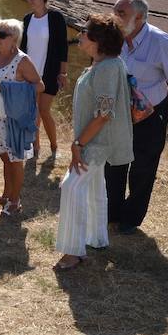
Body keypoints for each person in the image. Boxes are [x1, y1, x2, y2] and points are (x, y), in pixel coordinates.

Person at [54, 14, 133, 270]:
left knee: (72, 187)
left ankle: (73, 251)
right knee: (94, 188)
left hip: (97, 143)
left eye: (84, 32)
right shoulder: (104, 64)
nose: (79, 35)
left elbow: (104, 114)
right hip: (95, 141)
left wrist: (78, 144)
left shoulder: (108, 67)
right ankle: (97, 238)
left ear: (97, 39)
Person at [107, 0, 168, 234]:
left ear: (139, 17)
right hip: (119, 113)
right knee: (114, 163)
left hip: (151, 114)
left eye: (121, 13)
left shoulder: (159, 41)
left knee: (143, 167)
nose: (115, 17)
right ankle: (112, 213)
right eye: (115, 11)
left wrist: (159, 103)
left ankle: (131, 219)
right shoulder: (115, 39)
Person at [0, 18, 43, 216]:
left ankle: (16, 201)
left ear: (14, 39)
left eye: (2, 35)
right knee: (5, 158)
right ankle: (6, 194)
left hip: (13, 120)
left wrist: (12, 89)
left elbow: (40, 86)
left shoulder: (22, 60)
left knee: (15, 160)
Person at [20, 0, 69, 160]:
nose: (30, 0)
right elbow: (23, 47)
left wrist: (63, 73)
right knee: (33, 111)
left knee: (44, 109)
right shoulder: (27, 19)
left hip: (49, 71)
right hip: (30, 72)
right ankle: (35, 147)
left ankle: (54, 146)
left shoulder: (55, 17)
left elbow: (63, 47)